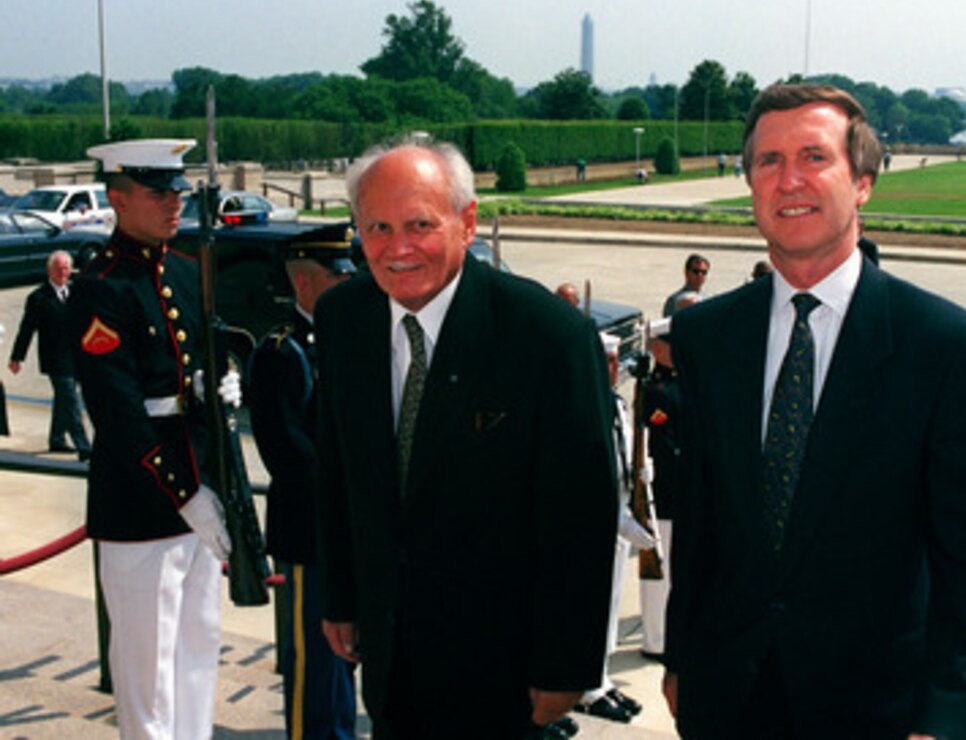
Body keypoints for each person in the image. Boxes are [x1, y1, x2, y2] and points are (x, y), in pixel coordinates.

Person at [663, 84, 966, 739]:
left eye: (813, 157)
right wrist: (681, 656)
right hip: (724, 700)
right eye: (768, 161)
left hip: (875, 712)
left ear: (862, 182)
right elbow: (701, 519)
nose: (788, 179)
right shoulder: (706, 338)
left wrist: (948, 721)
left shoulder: (944, 348)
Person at [314, 139, 618, 738]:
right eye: (377, 227)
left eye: (420, 225)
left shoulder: (546, 338)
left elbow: (578, 518)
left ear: (467, 221)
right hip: (390, 657)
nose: (397, 249)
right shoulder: (343, 317)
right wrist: (343, 596)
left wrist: (565, 667)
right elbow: (339, 468)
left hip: (502, 673)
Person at [69, 138, 242, 739]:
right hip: (143, 502)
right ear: (117, 198)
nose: (174, 203)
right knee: (147, 671)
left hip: (201, 488)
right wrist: (183, 492)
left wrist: (226, 385)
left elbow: (201, 372)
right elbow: (119, 418)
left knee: (198, 650)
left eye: (177, 191)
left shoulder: (187, 272)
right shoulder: (101, 287)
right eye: (157, 192)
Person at [248, 225, 357, 739]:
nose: (348, 284)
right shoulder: (281, 352)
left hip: (349, 532)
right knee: (314, 659)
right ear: (305, 283)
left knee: (345, 660)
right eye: (338, 276)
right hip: (311, 532)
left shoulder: (350, 340)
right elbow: (290, 454)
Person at [575, 333, 652, 724]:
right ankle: (584, 684)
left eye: (614, 361)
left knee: (611, 600)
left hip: (621, 514)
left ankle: (599, 676)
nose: (611, 368)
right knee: (589, 604)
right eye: (604, 360)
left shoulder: (617, 402)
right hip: (593, 520)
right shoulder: (582, 404)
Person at [8, 249, 91, 459]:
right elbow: (26, 329)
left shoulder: (77, 293)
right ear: (49, 270)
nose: (63, 272)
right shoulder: (38, 298)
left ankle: (57, 439)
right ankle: (84, 447)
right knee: (71, 401)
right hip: (56, 360)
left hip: (78, 358)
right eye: (58, 268)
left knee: (64, 400)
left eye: (66, 268)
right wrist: (17, 357)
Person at [637, 318, 681, 663]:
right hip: (663, 494)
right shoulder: (656, 391)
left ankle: (669, 633)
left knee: (677, 571)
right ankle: (655, 639)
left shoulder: (683, 384)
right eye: (668, 343)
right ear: (656, 348)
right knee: (658, 573)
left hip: (682, 496)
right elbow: (663, 446)